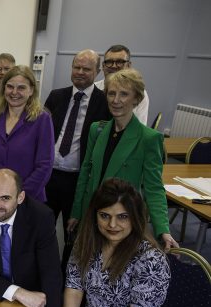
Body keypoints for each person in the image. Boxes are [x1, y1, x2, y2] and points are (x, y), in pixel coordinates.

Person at [67, 68, 179, 250]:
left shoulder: (149, 138)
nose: (116, 100)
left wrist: (163, 230)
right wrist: (76, 212)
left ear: (136, 99)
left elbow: (154, 187)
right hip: (92, 214)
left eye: (124, 94)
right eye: (111, 93)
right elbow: (85, 174)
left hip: (121, 221)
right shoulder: (97, 129)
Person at [44, 49, 112, 268]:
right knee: (42, 229)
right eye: (77, 67)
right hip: (49, 176)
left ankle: (68, 283)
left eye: (86, 69)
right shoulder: (56, 96)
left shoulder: (105, 102)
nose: (80, 72)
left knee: (74, 235)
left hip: (78, 180)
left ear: (98, 71)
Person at [0, 168, 62, 307]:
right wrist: (16, 292)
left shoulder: (41, 217)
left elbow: (51, 274)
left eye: (5, 198)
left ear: (20, 198)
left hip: (32, 298)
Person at [64, 178, 170, 307]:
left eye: (122, 217)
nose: (112, 224)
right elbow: (74, 288)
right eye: (104, 215)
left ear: (135, 218)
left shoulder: (152, 260)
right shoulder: (86, 240)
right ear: (94, 216)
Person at [0, 65, 54, 202]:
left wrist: (18, 197)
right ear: (3, 88)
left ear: (31, 90)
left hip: (28, 198)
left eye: (21, 87)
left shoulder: (42, 119)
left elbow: (44, 165)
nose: (14, 92)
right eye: (10, 86)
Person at [94, 44, 149, 125]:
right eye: (109, 62)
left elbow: (138, 127)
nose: (114, 66)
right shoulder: (93, 88)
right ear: (103, 66)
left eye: (120, 62)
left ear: (129, 66)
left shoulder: (138, 93)